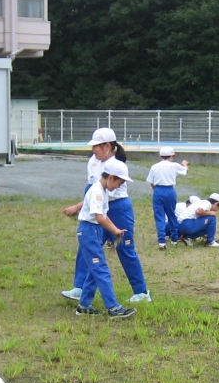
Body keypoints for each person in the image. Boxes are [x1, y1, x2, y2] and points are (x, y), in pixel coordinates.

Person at [62, 128, 151, 303]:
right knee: (87, 247)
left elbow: (104, 195)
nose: (93, 149)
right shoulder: (93, 162)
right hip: (98, 209)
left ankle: (141, 292)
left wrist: (78, 207)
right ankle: (79, 288)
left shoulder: (116, 166)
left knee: (125, 248)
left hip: (117, 209)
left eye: (96, 146)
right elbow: (92, 191)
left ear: (107, 146)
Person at [74, 158, 137, 319]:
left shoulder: (103, 191)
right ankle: (113, 307)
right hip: (89, 231)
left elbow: (104, 215)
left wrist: (115, 230)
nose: (119, 186)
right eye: (119, 183)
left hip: (95, 231)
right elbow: (99, 217)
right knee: (101, 270)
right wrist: (112, 229)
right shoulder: (97, 191)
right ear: (110, 178)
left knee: (94, 270)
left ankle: (84, 306)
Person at [146, 146, 189, 249]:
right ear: (173, 155)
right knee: (171, 214)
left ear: (160, 156)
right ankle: (174, 238)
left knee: (159, 216)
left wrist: (156, 190)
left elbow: (151, 182)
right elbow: (185, 171)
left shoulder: (154, 167)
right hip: (170, 190)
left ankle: (162, 241)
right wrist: (185, 164)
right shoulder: (174, 165)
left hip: (158, 190)